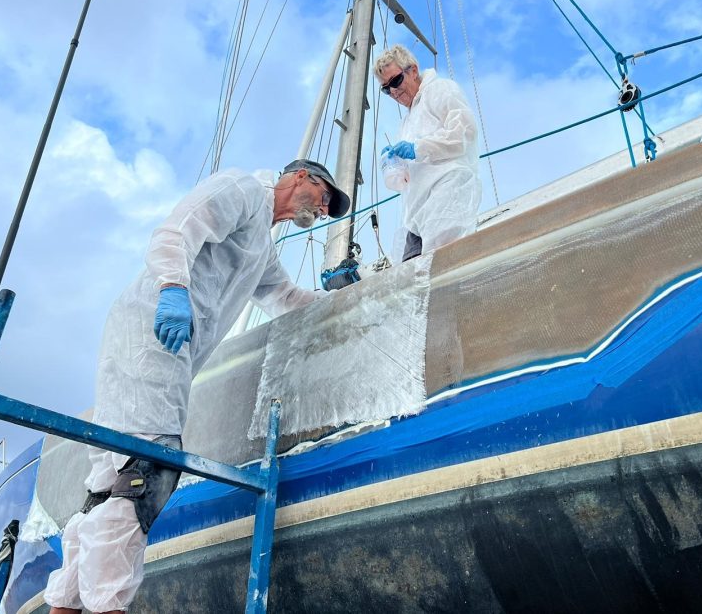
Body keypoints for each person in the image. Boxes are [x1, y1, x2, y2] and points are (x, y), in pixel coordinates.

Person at [45, 160, 350, 614]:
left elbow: (284, 298)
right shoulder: (243, 190)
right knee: (147, 467)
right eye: (325, 196)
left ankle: (64, 606)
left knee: (109, 481)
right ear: (301, 176)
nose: (324, 209)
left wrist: (339, 297)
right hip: (155, 331)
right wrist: (173, 288)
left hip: (158, 346)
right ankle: (109, 606)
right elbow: (177, 232)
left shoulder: (261, 247)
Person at [374, 44, 482, 261]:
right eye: (386, 89)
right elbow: (408, 175)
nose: (393, 92)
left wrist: (417, 148)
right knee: (412, 276)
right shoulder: (406, 122)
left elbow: (464, 133)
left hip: (446, 196)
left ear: (413, 71)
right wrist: (395, 166)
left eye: (395, 81)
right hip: (416, 219)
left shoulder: (440, 90)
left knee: (443, 267)